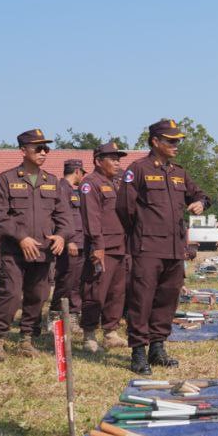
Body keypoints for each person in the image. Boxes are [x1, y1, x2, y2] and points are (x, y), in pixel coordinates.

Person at [117, 119, 210, 375]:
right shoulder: (138, 169)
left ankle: (157, 348)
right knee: (142, 300)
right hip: (147, 247)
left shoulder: (179, 172)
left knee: (167, 299)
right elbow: (124, 208)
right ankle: (138, 352)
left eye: (178, 140)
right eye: (171, 140)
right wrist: (142, 231)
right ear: (155, 141)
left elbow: (200, 194)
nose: (176, 145)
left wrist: (201, 203)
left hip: (174, 248)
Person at [0, 129, 71, 360]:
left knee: (38, 296)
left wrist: (62, 236)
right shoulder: (7, 179)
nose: (43, 152)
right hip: (14, 251)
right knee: (11, 295)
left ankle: (26, 339)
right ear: (23, 150)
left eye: (46, 149)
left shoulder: (52, 181)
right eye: (38, 148)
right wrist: (21, 237)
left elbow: (64, 216)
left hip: (43, 251)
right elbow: (0, 216)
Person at [80, 142, 130, 353]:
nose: (117, 163)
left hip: (120, 246)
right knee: (96, 291)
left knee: (117, 292)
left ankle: (111, 332)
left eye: (118, 159)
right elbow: (92, 218)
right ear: (98, 161)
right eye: (112, 159)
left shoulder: (116, 183)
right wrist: (97, 246)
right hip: (103, 247)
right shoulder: (90, 183)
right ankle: (89, 335)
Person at [52, 159, 86, 329]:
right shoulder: (61, 189)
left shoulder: (73, 190)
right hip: (70, 243)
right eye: (82, 173)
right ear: (77, 171)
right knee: (65, 280)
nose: (82, 177)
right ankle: (55, 314)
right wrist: (69, 241)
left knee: (76, 281)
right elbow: (61, 218)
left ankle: (72, 314)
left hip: (80, 242)